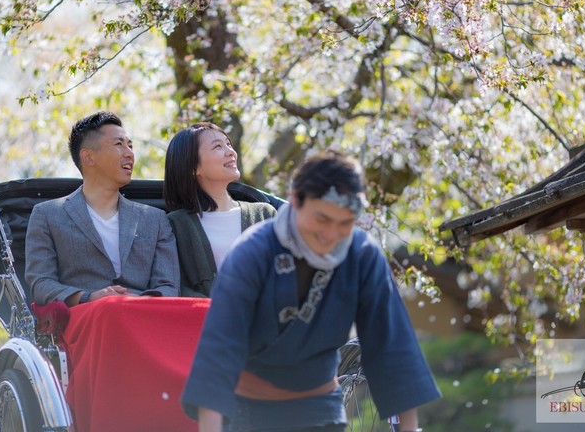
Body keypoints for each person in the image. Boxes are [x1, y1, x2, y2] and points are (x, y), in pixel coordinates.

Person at [181, 148, 440, 432]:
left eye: (344, 223)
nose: (331, 234)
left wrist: (408, 429)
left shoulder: (362, 254)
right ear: (295, 201)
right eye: (322, 219)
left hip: (320, 406)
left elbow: (391, 347)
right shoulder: (252, 253)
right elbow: (219, 353)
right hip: (248, 409)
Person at [25, 111, 180, 306]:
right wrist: (89, 297)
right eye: (118, 144)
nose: (130, 154)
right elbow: (41, 284)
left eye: (130, 146)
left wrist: (134, 302)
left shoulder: (155, 219)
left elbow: (169, 286)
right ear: (88, 157)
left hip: (144, 322)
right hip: (84, 323)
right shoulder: (47, 215)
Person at [163, 122, 277, 297]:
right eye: (217, 146)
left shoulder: (265, 214)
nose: (231, 152)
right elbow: (174, 286)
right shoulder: (175, 225)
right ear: (194, 167)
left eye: (228, 144)